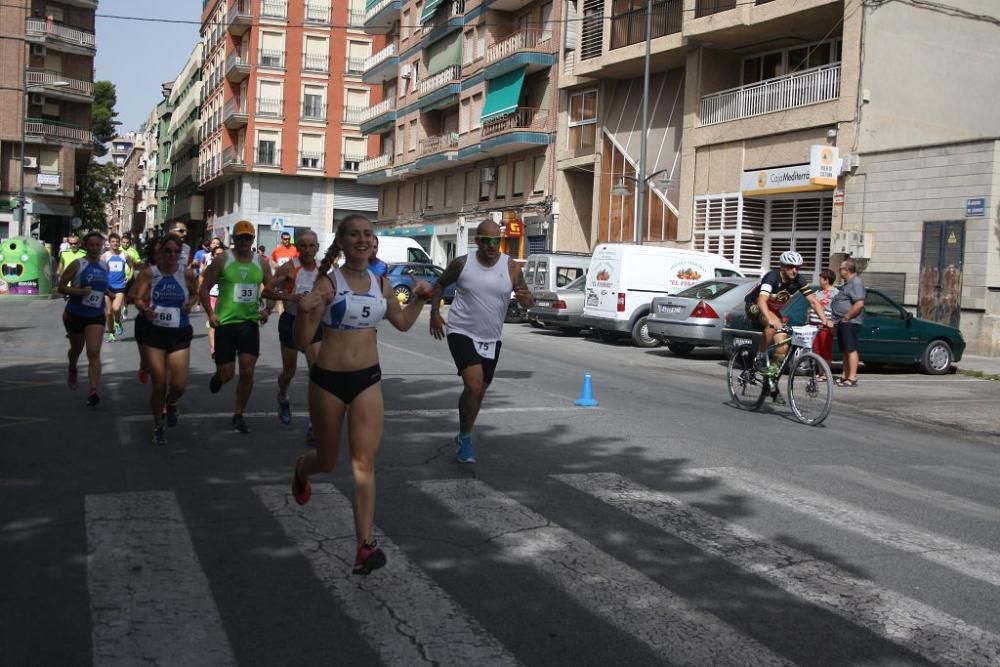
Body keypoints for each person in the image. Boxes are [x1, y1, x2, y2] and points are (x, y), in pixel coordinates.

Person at [289, 214, 433, 575]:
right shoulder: (328, 283)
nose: (362, 240)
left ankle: (364, 546)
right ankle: (302, 469)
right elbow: (301, 341)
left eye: (368, 234)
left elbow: (402, 323)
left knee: (364, 464)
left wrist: (420, 298)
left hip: (368, 379)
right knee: (327, 460)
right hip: (328, 381)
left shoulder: (381, 282)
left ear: (374, 242)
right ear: (342, 241)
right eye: (354, 235)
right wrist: (304, 313)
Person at [428, 221, 534, 464]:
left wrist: (529, 299)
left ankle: (463, 433)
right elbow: (440, 284)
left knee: (479, 391)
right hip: (461, 330)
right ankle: (466, 439)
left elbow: (526, 297)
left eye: (496, 240)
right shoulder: (462, 264)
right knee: (474, 385)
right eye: (486, 241)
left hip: (491, 337)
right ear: (477, 241)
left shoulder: (511, 267)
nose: (492, 246)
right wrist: (435, 313)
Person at [199, 220, 273, 434]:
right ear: (234, 239)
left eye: (247, 238)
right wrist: (210, 314)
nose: (243, 242)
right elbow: (204, 288)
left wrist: (267, 310)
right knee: (228, 373)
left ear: (252, 240)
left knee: (248, 371)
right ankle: (219, 377)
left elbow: (269, 288)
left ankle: (239, 414)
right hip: (225, 323)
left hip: (249, 324)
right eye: (239, 238)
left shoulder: (261, 262)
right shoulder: (223, 260)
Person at [130, 234, 199, 445]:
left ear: (181, 254)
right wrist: (145, 309)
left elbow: (195, 294)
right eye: (167, 251)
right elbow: (135, 297)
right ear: (160, 253)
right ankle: (158, 425)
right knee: (159, 384)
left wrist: (191, 304)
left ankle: (171, 403)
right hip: (155, 333)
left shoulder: (186, 274)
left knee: (178, 385)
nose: (172, 255)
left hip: (179, 331)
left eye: (176, 251)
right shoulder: (149, 274)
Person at [262, 230, 322, 427]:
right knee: (289, 371)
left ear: (317, 248)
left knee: (317, 372)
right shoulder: (288, 268)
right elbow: (268, 291)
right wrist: (290, 298)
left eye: (311, 245)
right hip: (291, 320)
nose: (307, 249)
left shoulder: (324, 269)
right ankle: (283, 395)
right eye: (303, 245)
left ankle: (315, 424)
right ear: (297, 248)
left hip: (313, 324)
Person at [744, 250, 832, 375]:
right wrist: (770, 319)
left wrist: (824, 320)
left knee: (783, 347)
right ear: (782, 266)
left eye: (797, 267)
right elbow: (762, 300)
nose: (794, 271)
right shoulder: (772, 277)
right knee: (771, 324)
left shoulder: (798, 280)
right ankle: (761, 356)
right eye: (790, 267)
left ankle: (771, 377)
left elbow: (813, 301)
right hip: (755, 305)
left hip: (772, 309)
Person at [57, 231, 109, 407]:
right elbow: (61, 287)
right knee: (76, 350)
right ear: (85, 246)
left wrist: (108, 291)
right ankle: (73, 367)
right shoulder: (77, 264)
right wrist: (79, 292)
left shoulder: (104, 266)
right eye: (92, 244)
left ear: (101, 246)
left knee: (93, 352)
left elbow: (102, 286)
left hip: (96, 314)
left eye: (98, 245)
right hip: (76, 313)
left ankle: (93, 391)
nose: (95, 248)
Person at [831, 258, 866, 387]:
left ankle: (852, 377)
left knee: (851, 349)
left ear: (847, 270)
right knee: (845, 349)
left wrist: (847, 316)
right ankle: (845, 375)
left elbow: (859, 303)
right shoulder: (847, 283)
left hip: (851, 321)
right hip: (843, 322)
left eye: (840, 268)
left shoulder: (856, 282)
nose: (839, 271)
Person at [101, 233, 132, 342]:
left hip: (120, 286)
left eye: (117, 241)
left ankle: (117, 321)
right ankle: (111, 333)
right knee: (108, 313)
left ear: (119, 243)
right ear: (109, 243)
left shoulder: (124, 255)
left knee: (116, 308)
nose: (115, 243)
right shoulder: (105, 256)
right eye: (113, 241)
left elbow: (131, 267)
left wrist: (129, 276)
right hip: (107, 287)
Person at [809, 269, 839, 378]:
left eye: (821, 278)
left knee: (825, 349)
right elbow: (812, 304)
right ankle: (820, 372)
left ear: (826, 280)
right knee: (817, 350)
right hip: (814, 325)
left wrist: (834, 323)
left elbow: (837, 309)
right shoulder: (818, 292)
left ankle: (825, 373)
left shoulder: (836, 293)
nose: (819, 281)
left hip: (825, 326)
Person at [203, 245, 227, 358]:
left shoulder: (230, 268)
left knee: (224, 324)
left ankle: (223, 346)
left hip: (225, 298)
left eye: (221, 254)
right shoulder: (209, 268)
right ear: (213, 256)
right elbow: (203, 285)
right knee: (212, 323)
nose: (219, 256)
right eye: (217, 254)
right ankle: (214, 348)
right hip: (212, 297)